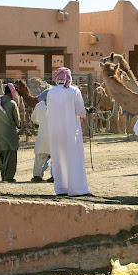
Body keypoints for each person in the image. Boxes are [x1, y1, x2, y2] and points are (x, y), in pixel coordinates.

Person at [47, 67, 91, 196]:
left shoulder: (51, 92)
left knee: (58, 158)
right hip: (71, 130)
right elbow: (80, 111)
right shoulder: (74, 91)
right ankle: (77, 189)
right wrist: (87, 111)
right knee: (74, 158)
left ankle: (61, 189)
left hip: (55, 131)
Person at [0, 83, 21, 182]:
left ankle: (3, 176)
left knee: (2, 156)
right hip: (10, 134)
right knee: (11, 156)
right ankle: (9, 177)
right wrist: (19, 127)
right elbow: (17, 120)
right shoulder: (12, 104)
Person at [30, 100, 52, 182]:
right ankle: (55, 176)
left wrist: (42, 122)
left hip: (43, 134)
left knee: (39, 156)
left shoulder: (39, 105)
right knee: (57, 157)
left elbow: (34, 119)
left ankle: (36, 176)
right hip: (55, 135)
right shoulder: (59, 103)